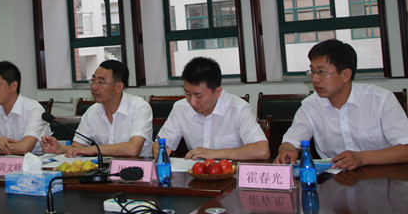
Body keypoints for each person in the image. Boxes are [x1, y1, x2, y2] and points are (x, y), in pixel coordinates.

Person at [274, 39, 408, 170]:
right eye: (312, 71)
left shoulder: (380, 100)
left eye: (322, 72)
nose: (315, 79)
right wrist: (288, 150)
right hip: (334, 177)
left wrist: (362, 158)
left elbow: (405, 149)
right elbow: (291, 142)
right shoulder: (310, 106)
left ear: (345, 75)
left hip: (383, 175)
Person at [152, 57, 269, 161]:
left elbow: (262, 151)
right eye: (187, 94)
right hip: (195, 173)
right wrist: (158, 148)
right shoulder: (180, 108)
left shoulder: (239, 109)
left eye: (198, 96)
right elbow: (162, 142)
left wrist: (214, 153)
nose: (192, 102)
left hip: (230, 173)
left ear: (218, 92)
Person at [41, 59, 153, 157]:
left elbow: (133, 149)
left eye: (101, 82)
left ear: (118, 87)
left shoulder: (140, 108)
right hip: (104, 169)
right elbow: (78, 147)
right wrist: (59, 148)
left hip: (138, 169)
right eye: (93, 80)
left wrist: (94, 149)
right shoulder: (92, 112)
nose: (94, 87)